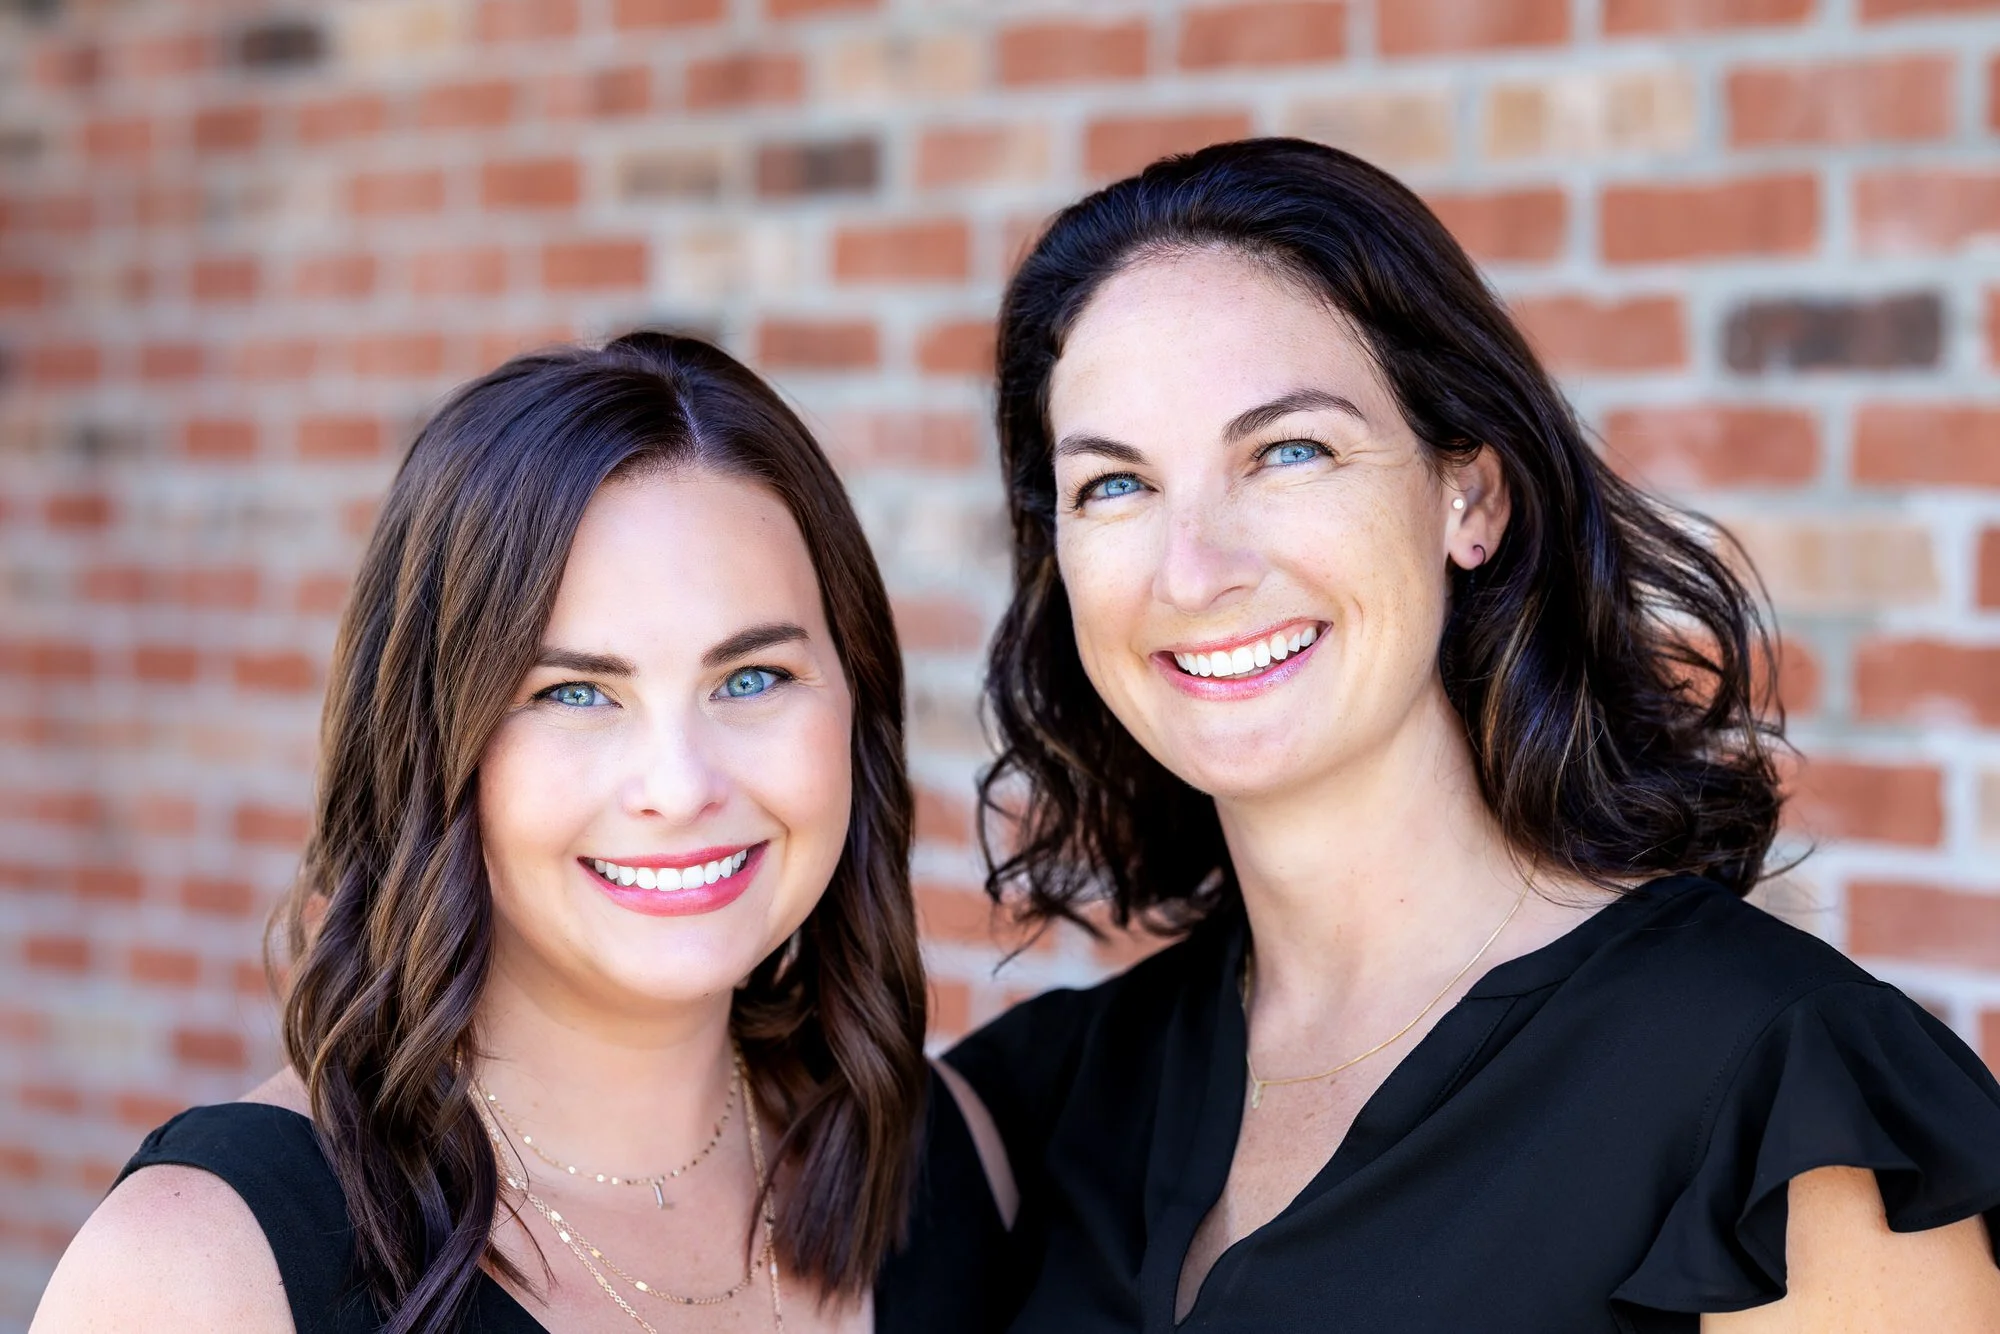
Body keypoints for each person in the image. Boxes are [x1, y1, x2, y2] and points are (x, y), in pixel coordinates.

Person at [945, 139, 2000, 1333]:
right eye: (1113, 485)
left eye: (1289, 450)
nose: (1193, 570)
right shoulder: (1044, 1101)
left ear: (1471, 497)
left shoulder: (1767, 1096)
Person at [32, 333, 1007, 1333]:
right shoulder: (201, 1268)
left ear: (859, 702)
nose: (678, 785)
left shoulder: (952, 1164)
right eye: (574, 691)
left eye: (749, 678)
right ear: (429, 742)